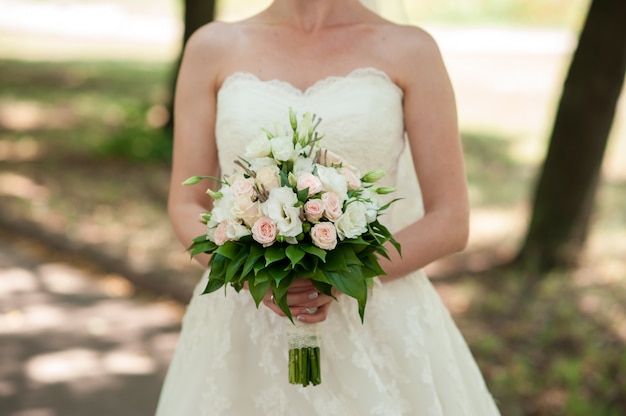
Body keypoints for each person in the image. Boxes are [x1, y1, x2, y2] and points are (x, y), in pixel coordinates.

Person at [157, 0, 501, 414]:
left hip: (376, 314)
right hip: (242, 321)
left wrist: (341, 277)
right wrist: (252, 277)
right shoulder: (212, 46)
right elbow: (185, 202)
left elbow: (450, 220)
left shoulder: (411, 50)